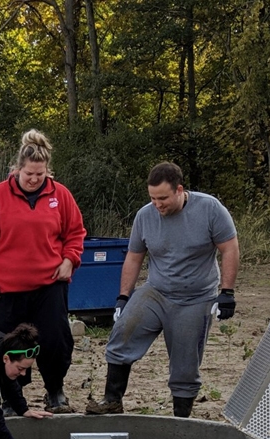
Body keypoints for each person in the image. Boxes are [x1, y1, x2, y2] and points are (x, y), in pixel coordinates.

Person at [85, 161, 239, 418]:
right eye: (153, 198)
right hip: (156, 291)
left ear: (180, 190)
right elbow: (134, 257)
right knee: (122, 335)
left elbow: (229, 249)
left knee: (185, 363)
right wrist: (123, 297)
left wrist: (227, 293)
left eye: (164, 198)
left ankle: (181, 418)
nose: (158, 205)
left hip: (196, 296)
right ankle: (111, 400)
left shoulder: (210, 209)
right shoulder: (145, 216)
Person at [0, 129, 86, 414]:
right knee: (9, 345)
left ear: (47, 171)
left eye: (40, 174)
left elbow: (75, 233)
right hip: (6, 289)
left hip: (49, 284)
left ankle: (55, 390)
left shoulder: (61, 196)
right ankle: (11, 397)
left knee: (56, 340)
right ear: (17, 170)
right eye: (29, 174)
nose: (34, 179)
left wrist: (70, 259)